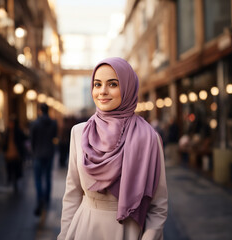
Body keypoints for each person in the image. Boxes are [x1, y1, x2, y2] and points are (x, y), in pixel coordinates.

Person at [58, 57, 168, 240]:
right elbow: (72, 194)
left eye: (112, 84)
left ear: (127, 87)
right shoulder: (78, 133)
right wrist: (63, 236)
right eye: (97, 84)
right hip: (84, 229)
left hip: (128, 232)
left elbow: (158, 205)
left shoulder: (149, 138)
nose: (102, 91)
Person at [30, 103, 57, 216]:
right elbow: (55, 137)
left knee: (38, 179)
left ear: (40, 111)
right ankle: (46, 200)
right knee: (47, 177)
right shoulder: (53, 123)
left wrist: (33, 150)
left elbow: (32, 140)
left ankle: (40, 198)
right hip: (49, 153)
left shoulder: (35, 124)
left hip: (38, 154)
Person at [3, 117, 25, 192]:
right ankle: (11, 179)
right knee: (10, 168)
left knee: (15, 168)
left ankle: (14, 181)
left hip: (16, 154)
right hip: (9, 154)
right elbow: (4, 143)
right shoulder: (7, 132)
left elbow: (23, 138)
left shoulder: (17, 131)